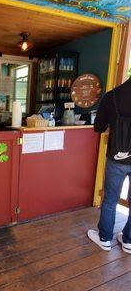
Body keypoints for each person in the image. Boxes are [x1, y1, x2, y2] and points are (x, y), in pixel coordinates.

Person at [87, 77, 131, 254]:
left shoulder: (112, 96)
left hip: (117, 158)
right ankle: (128, 241)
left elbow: (98, 127)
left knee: (111, 200)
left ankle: (105, 238)